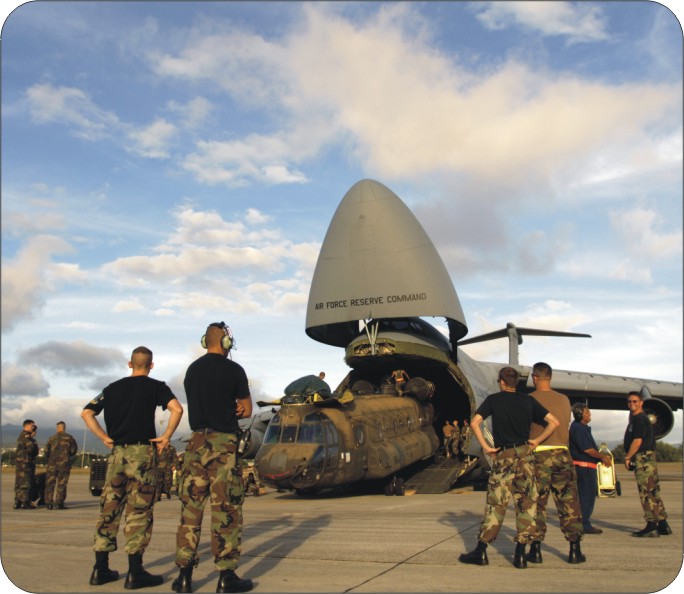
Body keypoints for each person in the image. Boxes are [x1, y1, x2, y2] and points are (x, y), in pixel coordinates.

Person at [81, 346, 183, 589]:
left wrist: (104, 438)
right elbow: (177, 409)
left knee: (109, 508)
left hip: (117, 454)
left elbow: (86, 413)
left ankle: (100, 569)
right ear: (151, 365)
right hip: (142, 454)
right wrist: (166, 435)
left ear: (130, 364)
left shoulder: (111, 389)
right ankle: (135, 572)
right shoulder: (156, 387)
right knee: (139, 510)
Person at [173, 322, 254, 594]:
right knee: (225, 509)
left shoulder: (192, 370)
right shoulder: (234, 370)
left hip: (195, 443)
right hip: (223, 444)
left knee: (190, 510)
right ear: (226, 343)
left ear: (204, 342)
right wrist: (234, 407)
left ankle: (184, 576)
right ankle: (226, 576)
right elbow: (246, 409)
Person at [459, 367, 559, 569]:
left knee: (496, 504)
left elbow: (475, 423)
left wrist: (486, 447)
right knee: (527, 504)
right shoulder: (528, 401)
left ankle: (481, 551)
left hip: (504, 456)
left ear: (502, 382)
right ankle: (520, 554)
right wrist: (536, 441)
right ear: (516, 383)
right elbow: (554, 422)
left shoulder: (494, 400)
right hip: (525, 456)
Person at [526, 362, 585, 565]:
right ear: (550, 377)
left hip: (539, 455)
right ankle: (575, 550)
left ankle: (535, 550)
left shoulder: (529, 399)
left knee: (537, 503)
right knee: (569, 503)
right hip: (562, 454)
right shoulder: (564, 399)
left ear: (534, 378)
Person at [623, 391, 672, 537]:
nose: (632, 404)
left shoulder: (639, 419)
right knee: (653, 491)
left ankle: (652, 526)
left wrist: (628, 457)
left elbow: (637, 441)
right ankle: (662, 524)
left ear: (641, 402)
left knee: (647, 493)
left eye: (635, 401)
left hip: (643, 458)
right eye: (629, 402)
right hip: (647, 458)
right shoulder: (639, 419)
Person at [569, 403, 611, 534]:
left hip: (585, 467)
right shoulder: (579, 429)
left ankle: (580, 522)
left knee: (583, 496)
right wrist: (603, 457)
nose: (589, 414)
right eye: (587, 412)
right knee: (587, 496)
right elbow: (587, 449)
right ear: (579, 415)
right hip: (584, 469)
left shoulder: (580, 428)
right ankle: (584, 524)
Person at [43, 421, 78, 510]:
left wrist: (51, 458)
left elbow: (46, 451)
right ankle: (59, 502)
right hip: (64, 464)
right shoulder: (70, 438)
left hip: (52, 464)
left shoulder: (52, 438)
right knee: (62, 483)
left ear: (57, 428)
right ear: (64, 428)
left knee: (50, 483)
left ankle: (49, 503)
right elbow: (73, 451)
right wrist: (66, 456)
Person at [14, 419, 38, 509]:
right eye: (32, 426)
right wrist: (32, 439)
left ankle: (18, 501)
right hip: (26, 463)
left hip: (20, 463)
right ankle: (25, 502)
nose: (33, 427)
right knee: (26, 482)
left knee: (19, 482)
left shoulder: (21, 435)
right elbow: (32, 449)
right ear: (27, 426)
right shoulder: (26, 436)